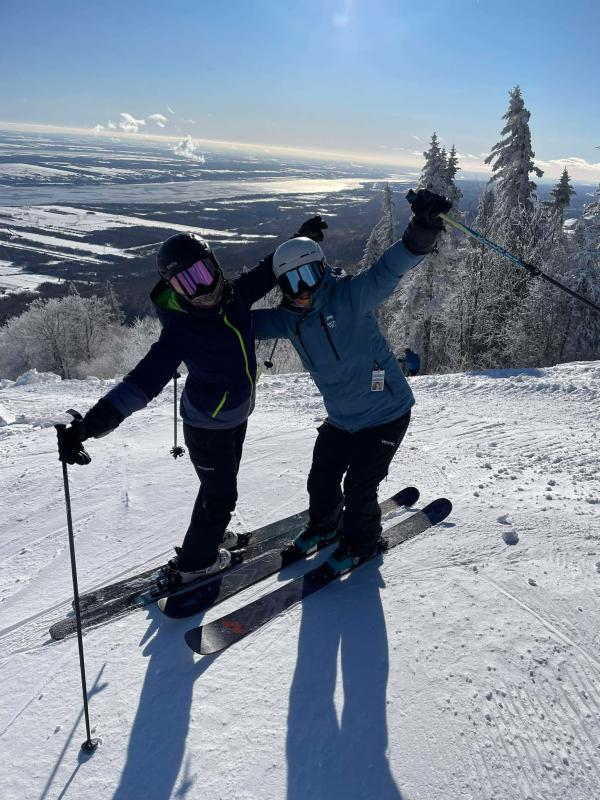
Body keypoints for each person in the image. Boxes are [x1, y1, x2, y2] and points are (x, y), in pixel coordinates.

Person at [55, 220, 321, 584]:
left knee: (218, 490)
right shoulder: (181, 332)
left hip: (235, 417)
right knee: (221, 496)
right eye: (185, 284)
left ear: (215, 266)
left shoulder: (237, 294)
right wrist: (86, 427)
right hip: (206, 427)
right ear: (172, 289)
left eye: (201, 274)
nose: (200, 290)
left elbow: (268, 269)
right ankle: (197, 563)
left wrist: (299, 244)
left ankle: (210, 534)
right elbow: (140, 384)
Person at [252, 189, 451, 572]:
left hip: (387, 413)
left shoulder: (351, 297)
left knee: (359, 488)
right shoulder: (287, 320)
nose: (303, 288)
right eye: (292, 282)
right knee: (321, 477)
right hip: (342, 419)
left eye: (309, 274)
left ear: (322, 270)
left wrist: (423, 228)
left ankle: (363, 542)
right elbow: (237, 324)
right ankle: (325, 527)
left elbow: (391, 266)